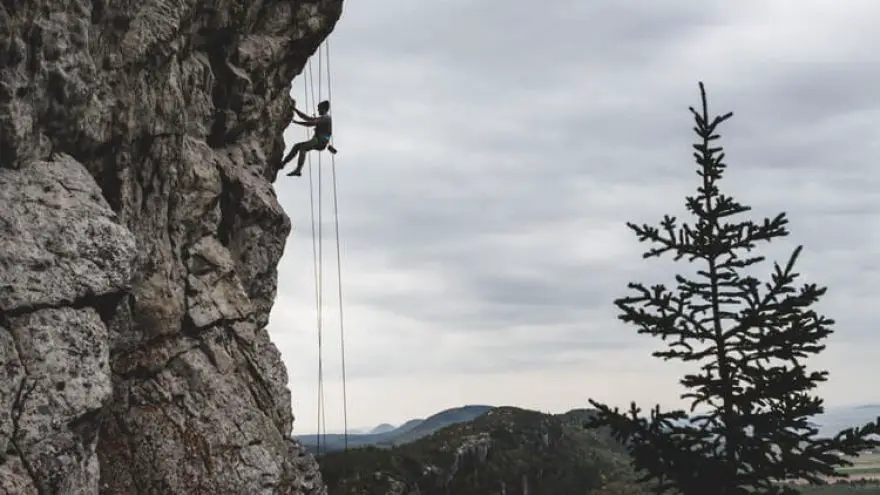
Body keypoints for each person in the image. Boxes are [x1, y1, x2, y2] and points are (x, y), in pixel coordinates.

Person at [281, 100, 334, 177]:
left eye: (319, 108)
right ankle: (284, 163)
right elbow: (307, 118)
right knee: (297, 146)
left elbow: (310, 123)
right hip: (320, 141)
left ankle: (298, 170)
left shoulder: (326, 118)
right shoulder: (323, 118)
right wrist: (295, 110)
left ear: (324, 108)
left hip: (319, 141)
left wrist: (297, 123)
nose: (318, 110)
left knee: (303, 147)